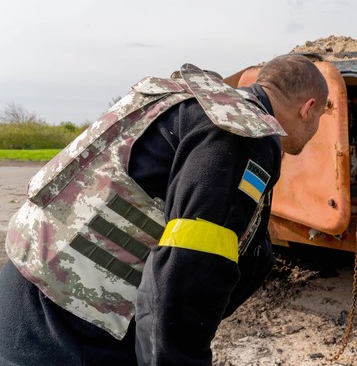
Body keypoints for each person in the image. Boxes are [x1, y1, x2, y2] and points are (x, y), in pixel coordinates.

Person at [0, 55, 329, 365]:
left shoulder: (184, 100)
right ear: (308, 109)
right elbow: (190, 269)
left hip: (25, 285)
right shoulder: (243, 132)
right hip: (74, 326)